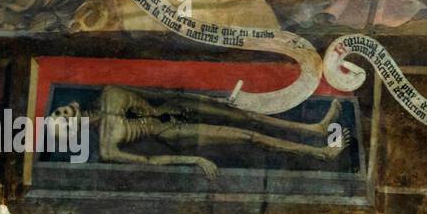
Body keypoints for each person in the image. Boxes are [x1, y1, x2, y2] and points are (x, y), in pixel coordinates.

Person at [50, 87, 347, 180]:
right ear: (71, 132)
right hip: (174, 132)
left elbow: (151, 91)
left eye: (60, 112)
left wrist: (205, 98)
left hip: (175, 103)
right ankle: (320, 152)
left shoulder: (109, 92)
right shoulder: (107, 148)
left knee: (244, 115)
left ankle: (315, 128)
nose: (64, 114)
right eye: (62, 122)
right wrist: (194, 160)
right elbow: (151, 162)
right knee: (247, 136)